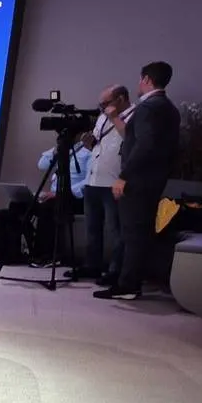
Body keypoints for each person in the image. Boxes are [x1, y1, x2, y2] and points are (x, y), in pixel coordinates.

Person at [97, 61, 180, 301]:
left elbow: (144, 145)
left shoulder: (148, 108)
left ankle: (128, 285)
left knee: (133, 233)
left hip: (139, 180)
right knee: (139, 232)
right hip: (155, 179)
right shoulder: (170, 108)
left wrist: (124, 176)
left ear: (146, 79)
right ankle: (130, 281)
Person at [71, 84, 133, 284]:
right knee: (92, 227)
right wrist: (88, 142)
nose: (102, 108)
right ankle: (92, 265)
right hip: (93, 179)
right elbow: (98, 145)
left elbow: (132, 140)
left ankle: (115, 270)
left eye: (105, 103)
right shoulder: (101, 118)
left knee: (115, 229)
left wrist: (115, 118)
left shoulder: (135, 115)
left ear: (121, 99)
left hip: (114, 181)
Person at [28, 137, 91, 267]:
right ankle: (22, 250)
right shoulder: (62, 151)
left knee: (48, 207)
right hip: (54, 194)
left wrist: (60, 193)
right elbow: (42, 165)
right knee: (21, 204)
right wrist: (56, 150)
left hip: (74, 197)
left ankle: (48, 255)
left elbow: (88, 182)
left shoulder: (88, 153)